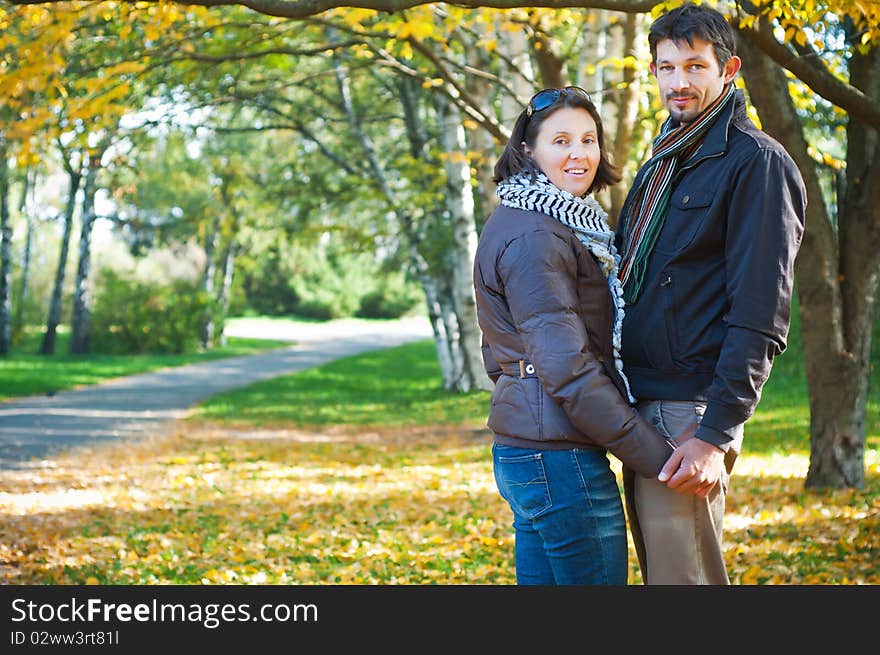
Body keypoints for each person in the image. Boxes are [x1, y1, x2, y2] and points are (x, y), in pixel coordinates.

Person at [614, 3, 807, 585]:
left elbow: (760, 313)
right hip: (646, 403)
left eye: (695, 67)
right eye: (666, 67)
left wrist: (713, 434)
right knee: (665, 577)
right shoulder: (665, 161)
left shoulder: (757, 163)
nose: (679, 82)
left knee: (685, 580)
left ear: (729, 70)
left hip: (690, 411)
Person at [473, 86, 674, 585]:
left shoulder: (530, 220)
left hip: (531, 446)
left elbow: (498, 351)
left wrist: (521, 390)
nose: (579, 154)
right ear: (528, 150)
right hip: (559, 460)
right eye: (560, 141)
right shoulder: (539, 235)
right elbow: (567, 366)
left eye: (588, 140)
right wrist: (658, 458)